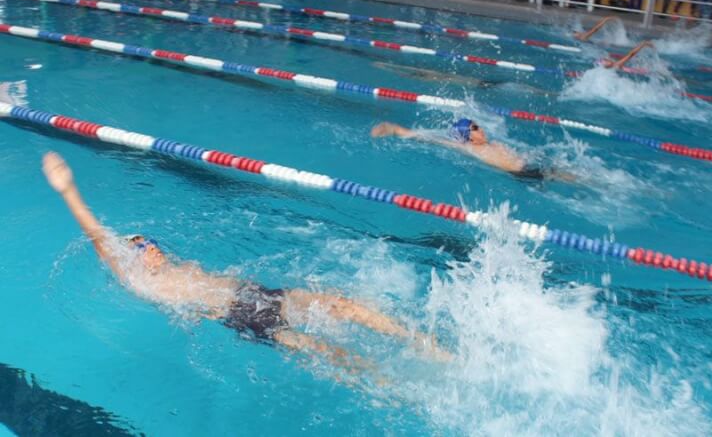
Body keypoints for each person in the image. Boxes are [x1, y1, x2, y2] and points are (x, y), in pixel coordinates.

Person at [41, 152, 449, 366]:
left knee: (341, 303)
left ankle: (419, 342)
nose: (151, 248)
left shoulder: (174, 267)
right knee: (332, 355)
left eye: (150, 242)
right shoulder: (140, 281)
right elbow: (98, 237)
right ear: (128, 259)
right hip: (243, 317)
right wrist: (68, 191)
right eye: (141, 247)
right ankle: (390, 383)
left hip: (257, 293)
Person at [371, 119, 573, 181]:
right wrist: (393, 128)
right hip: (523, 173)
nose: (482, 129)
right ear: (467, 136)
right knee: (570, 177)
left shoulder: (490, 144)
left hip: (529, 167)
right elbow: (426, 137)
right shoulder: (466, 148)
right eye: (475, 128)